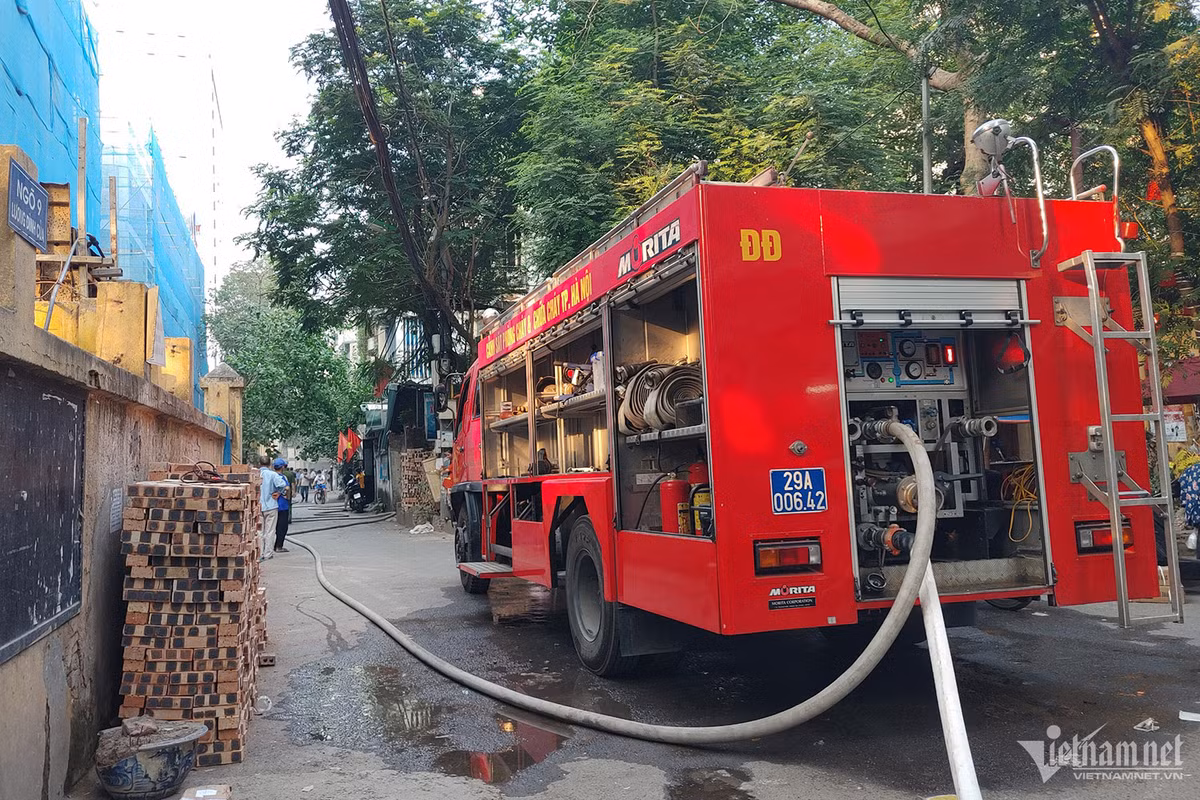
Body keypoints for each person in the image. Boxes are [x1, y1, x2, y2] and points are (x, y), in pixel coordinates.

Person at [258, 454, 287, 561]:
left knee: (259, 531)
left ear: (259, 463)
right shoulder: (273, 475)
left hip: (257, 506)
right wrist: (278, 493)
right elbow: (282, 484)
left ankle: (259, 553)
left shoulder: (254, 474)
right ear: (270, 464)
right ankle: (268, 553)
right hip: (271, 506)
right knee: (270, 531)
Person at [272, 457, 292, 553]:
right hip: (282, 506)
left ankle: (271, 546)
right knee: (282, 527)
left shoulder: (270, 476)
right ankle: (279, 546)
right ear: (283, 467)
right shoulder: (283, 478)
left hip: (271, 505)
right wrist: (288, 498)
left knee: (272, 528)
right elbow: (287, 489)